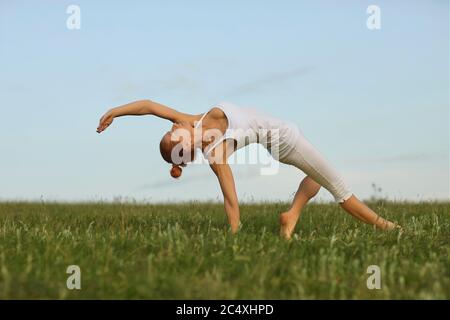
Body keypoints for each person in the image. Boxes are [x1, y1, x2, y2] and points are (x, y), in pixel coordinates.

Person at [97, 99, 400, 239]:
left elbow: (149, 106)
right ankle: (388, 228)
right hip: (288, 140)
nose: (174, 123)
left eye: (172, 126)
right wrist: (234, 234)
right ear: (183, 143)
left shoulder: (197, 122)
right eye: (174, 131)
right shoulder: (214, 151)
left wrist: (116, 112)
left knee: (316, 178)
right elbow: (231, 200)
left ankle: (291, 216)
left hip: (282, 141)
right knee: (341, 190)